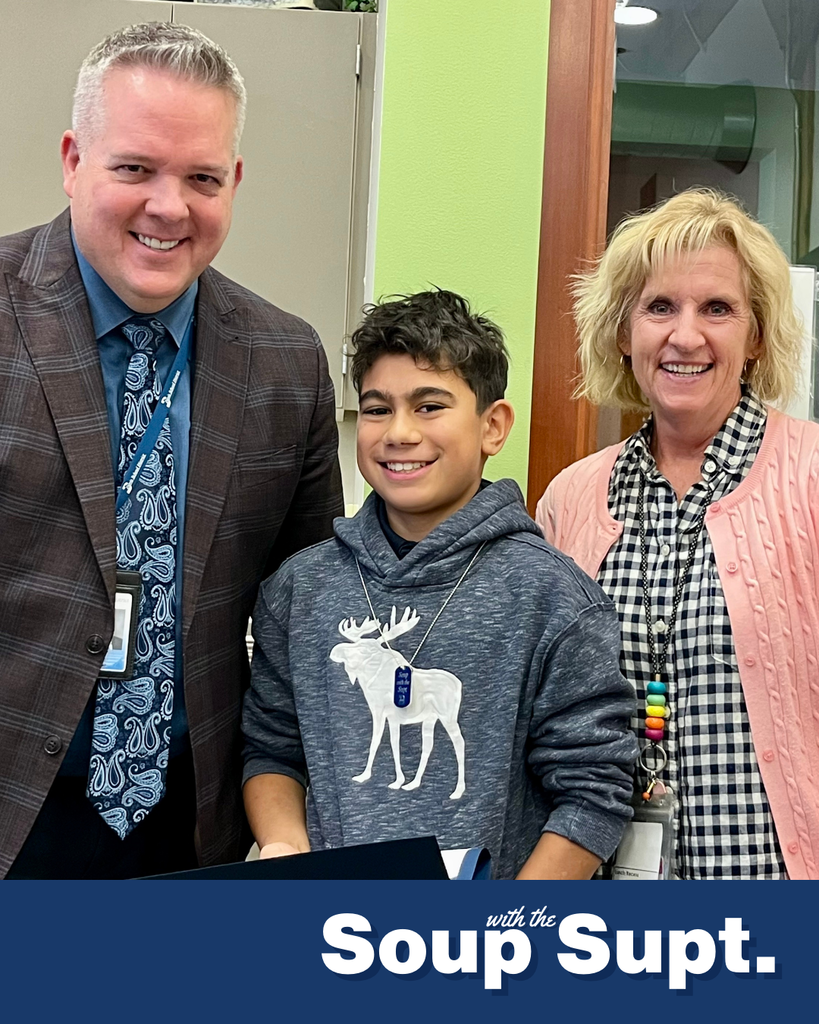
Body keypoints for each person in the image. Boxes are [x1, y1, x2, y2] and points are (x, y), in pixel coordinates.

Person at [0, 22, 342, 879]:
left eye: (200, 178)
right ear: (74, 160)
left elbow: (304, 619)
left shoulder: (286, 361)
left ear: (234, 181)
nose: (168, 206)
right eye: (134, 169)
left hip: (197, 832)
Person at [241, 289, 637, 879]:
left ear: (493, 426)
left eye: (429, 406)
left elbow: (594, 790)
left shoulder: (554, 598)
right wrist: (284, 849)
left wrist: (507, 925)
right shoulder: (300, 590)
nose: (398, 432)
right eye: (376, 409)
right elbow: (272, 747)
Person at [537, 188, 819, 880]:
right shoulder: (570, 500)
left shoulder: (810, 476)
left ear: (753, 336)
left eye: (716, 309)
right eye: (659, 307)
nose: (684, 336)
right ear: (622, 332)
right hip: (609, 924)